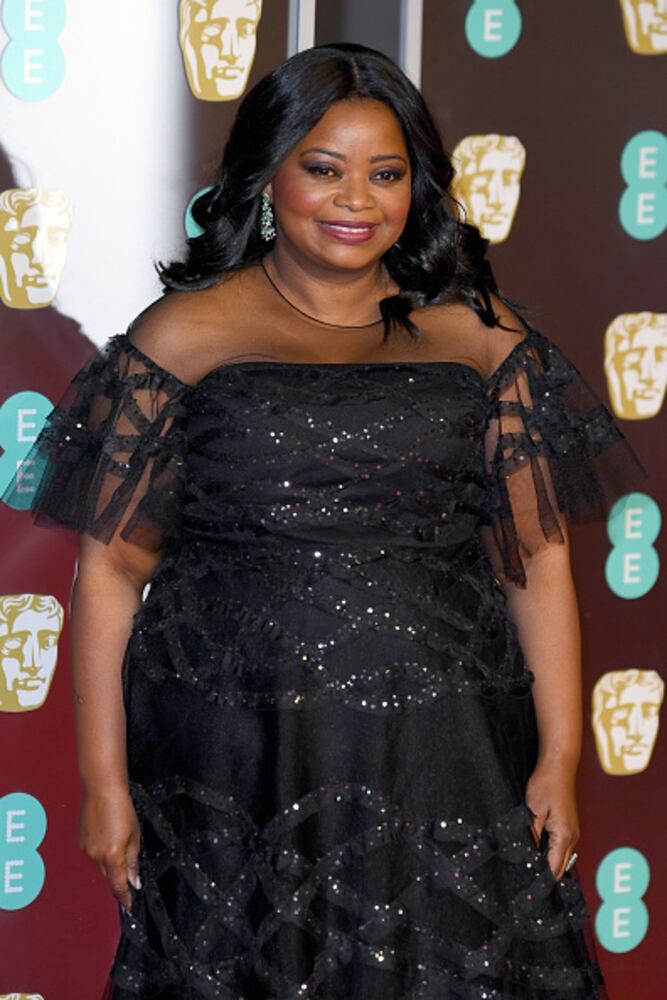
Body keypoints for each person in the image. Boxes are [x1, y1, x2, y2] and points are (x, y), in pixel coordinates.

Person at [2, 42, 649, 999]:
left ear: (417, 188)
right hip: (232, 750)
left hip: (446, 747)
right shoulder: (180, 336)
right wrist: (104, 785)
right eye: (324, 168)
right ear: (267, 176)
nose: (357, 200)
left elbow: (535, 560)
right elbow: (109, 571)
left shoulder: (481, 336)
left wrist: (558, 757)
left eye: (386, 174)